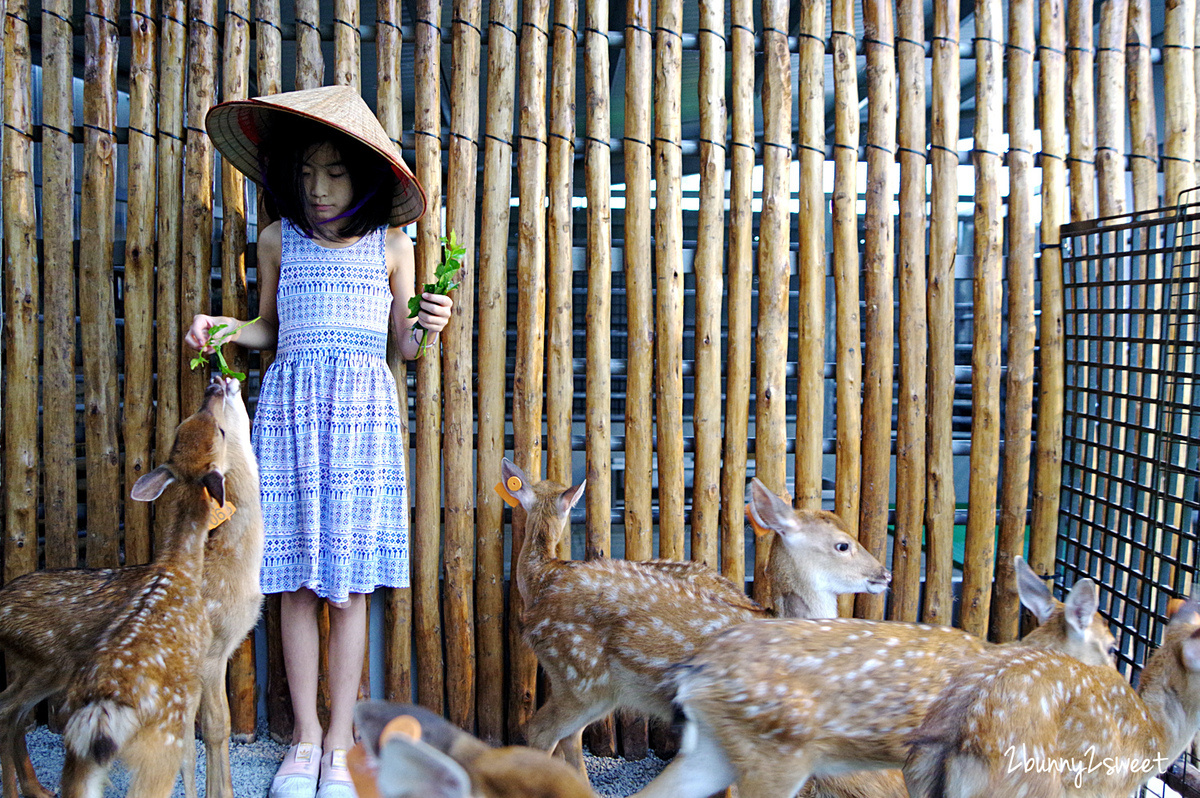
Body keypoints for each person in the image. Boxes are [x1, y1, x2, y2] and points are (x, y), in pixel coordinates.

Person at [187, 85, 452, 798]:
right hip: (290, 418)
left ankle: (340, 745)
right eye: (306, 174)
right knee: (297, 585)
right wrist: (225, 329)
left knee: (351, 588)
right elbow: (269, 329)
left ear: (364, 177)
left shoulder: (392, 246)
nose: (320, 187)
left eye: (335, 172)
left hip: (362, 424)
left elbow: (403, 346)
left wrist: (429, 321)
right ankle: (304, 738)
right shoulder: (278, 240)